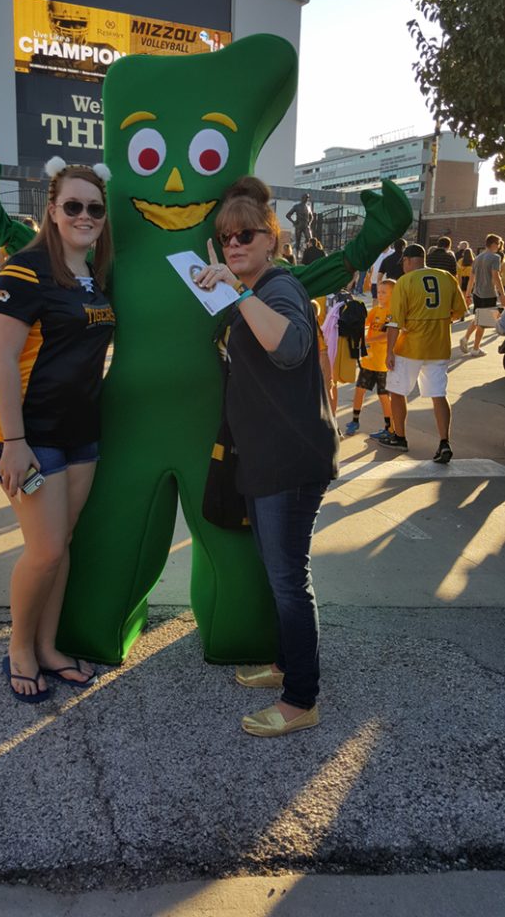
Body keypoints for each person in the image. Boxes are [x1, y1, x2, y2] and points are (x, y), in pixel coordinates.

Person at [195, 176, 338, 738]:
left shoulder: (276, 289)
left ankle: (302, 699)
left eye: (246, 235)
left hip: (290, 460)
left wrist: (239, 292)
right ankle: (285, 665)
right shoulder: (249, 291)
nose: (234, 246)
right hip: (267, 456)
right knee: (279, 573)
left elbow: (292, 347)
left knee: (287, 579)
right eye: (226, 238)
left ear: (271, 239)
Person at [0, 157, 115, 702]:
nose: (86, 215)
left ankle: (50, 646)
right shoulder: (25, 269)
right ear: (53, 211)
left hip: (81, 430)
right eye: (74, 206)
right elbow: (3, 361)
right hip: (28, 434)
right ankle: (19, 649)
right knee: (45, 549)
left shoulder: (93, 276)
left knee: (62, 547)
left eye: (95, 208)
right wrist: (13, 443)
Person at [379, 243, 466, 463]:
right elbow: (460, 311)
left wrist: (389, 351)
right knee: (438, 394)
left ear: (408, 261)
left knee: (398, 390)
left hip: (411, 345)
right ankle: (444, 441)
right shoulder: (447, 277)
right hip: (439, 344)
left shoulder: (405, 281)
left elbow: (395, 322)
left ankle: (400, 436)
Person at [345, 279, 394, 439]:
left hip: (383, 363)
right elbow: (363, 321)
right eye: (378, 292)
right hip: (368, 361)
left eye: (384, 292)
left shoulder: (392, 313)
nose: (379, 295)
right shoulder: (376, 310)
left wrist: (366, 341)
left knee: (383, 396)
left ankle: (389, 426)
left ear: (393, 294)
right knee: (359, 391)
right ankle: (355, 421)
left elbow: (387, 335)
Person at [460, 234, 505, 356]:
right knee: (483, 323)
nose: (500, 247)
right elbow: (496, 277)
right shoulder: (495, 257)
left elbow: (471, 279)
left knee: (479, 318)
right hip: (489, 293)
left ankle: (465, 338)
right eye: (499, 244)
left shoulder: (478, 258)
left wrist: (468, 295)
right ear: (494, 244)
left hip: (477, 293)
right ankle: (475, 348)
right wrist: (502, 294)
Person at [285, 192, 314, 261]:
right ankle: (297, 255)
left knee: (309, 239)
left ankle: (308, 253)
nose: (307, 199)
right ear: (302, 198)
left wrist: (309, 223)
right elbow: (288, 215)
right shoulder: (296, 206)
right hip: (299, 225)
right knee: (298, 240)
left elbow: (312, 217)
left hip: (306, 225)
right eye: (305, 198)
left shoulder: (308, 207)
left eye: (308, 198)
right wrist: (294, 222)